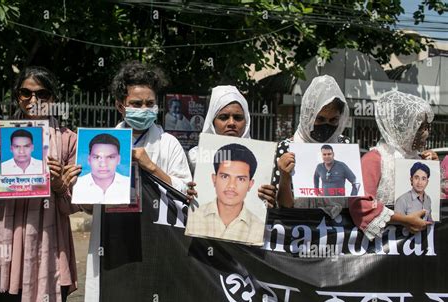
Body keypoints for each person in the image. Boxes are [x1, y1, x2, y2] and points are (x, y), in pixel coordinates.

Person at [84, 60, 192, 302]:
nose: (143, 109)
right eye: (136, 104)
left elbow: (186, 193)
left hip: (156, 239)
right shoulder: (100, 144)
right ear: (120, 106)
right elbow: (88, 207)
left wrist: (151, 167)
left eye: (149, 104)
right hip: (111, 237)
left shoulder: (169, 144)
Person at [0, 66, 81, 302]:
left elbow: (73, 205)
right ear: (17, 96)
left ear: (53, 99)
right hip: (3, 245)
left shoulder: (68, 140)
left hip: (49, 244)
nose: (34, 100)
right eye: (26, 93)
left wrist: (58, 185)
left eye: (42, 94)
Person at [349, 90, 438, 240]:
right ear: (404, 127)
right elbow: (360, 204)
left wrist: (435, 172)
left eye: (427, 127)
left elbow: (434, 204)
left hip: (415, 249)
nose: (426, 133)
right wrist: (404, 220)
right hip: (381, 250)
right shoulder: (375, 159)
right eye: (420, 127)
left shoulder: (419, 160)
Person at [272, 75, 350, 217]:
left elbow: (353, 197)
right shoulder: (286, 149)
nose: (326, 125)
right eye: (320, 119)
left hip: (338, 234)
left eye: (333, 120)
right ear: (308, 116)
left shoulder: (344, 146)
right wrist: (285, 177)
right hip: (300, 233)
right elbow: (283, 206)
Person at [186, 85, 277, 207]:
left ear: (247, 122)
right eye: (223, 117)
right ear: (212, 122)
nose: (231, 123)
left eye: (238, 118)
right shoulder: (195, 157)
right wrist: (186, 192)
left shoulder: (263, 159)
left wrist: (269, 197)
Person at [185, 143, 264, 245]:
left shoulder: (258, 228)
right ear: (214, 179)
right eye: (225, 176)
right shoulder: (194, 218)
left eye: (240, 179)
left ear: (250, 184)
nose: (231, 186)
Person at [73, 133, 129, 204]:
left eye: (110, 157)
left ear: (119, 159)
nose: (103, 164)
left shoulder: (128, 185)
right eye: (96, 157)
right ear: (89, 159)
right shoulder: (77, 185)